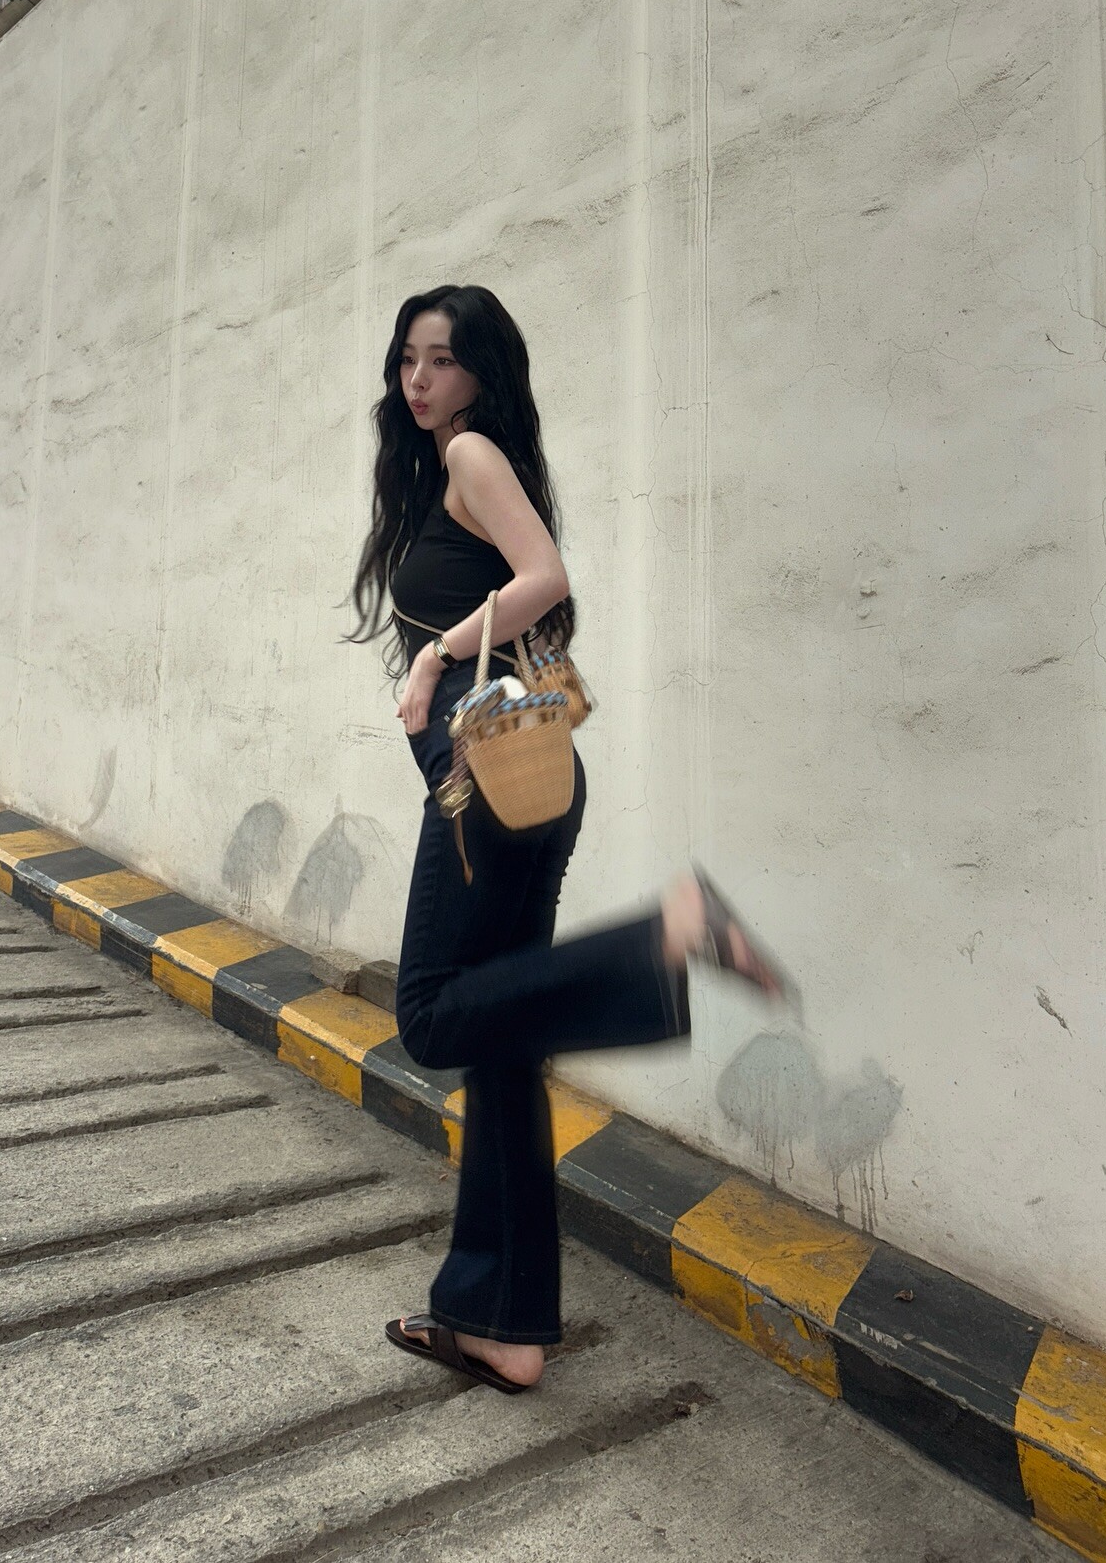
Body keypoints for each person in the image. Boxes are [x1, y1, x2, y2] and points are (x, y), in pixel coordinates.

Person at [343, 284, 795, 1395]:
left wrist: (432, 655)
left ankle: (667, 933)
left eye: (442, 361)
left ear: (480, 374)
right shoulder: (445, 470)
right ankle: (504, 1325)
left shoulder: (471, 456)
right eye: (408, 359)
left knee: (431, 1016)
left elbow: (545, 575)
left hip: (489, 783)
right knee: (503, 1053)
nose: (418, 380)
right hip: (522, 777)